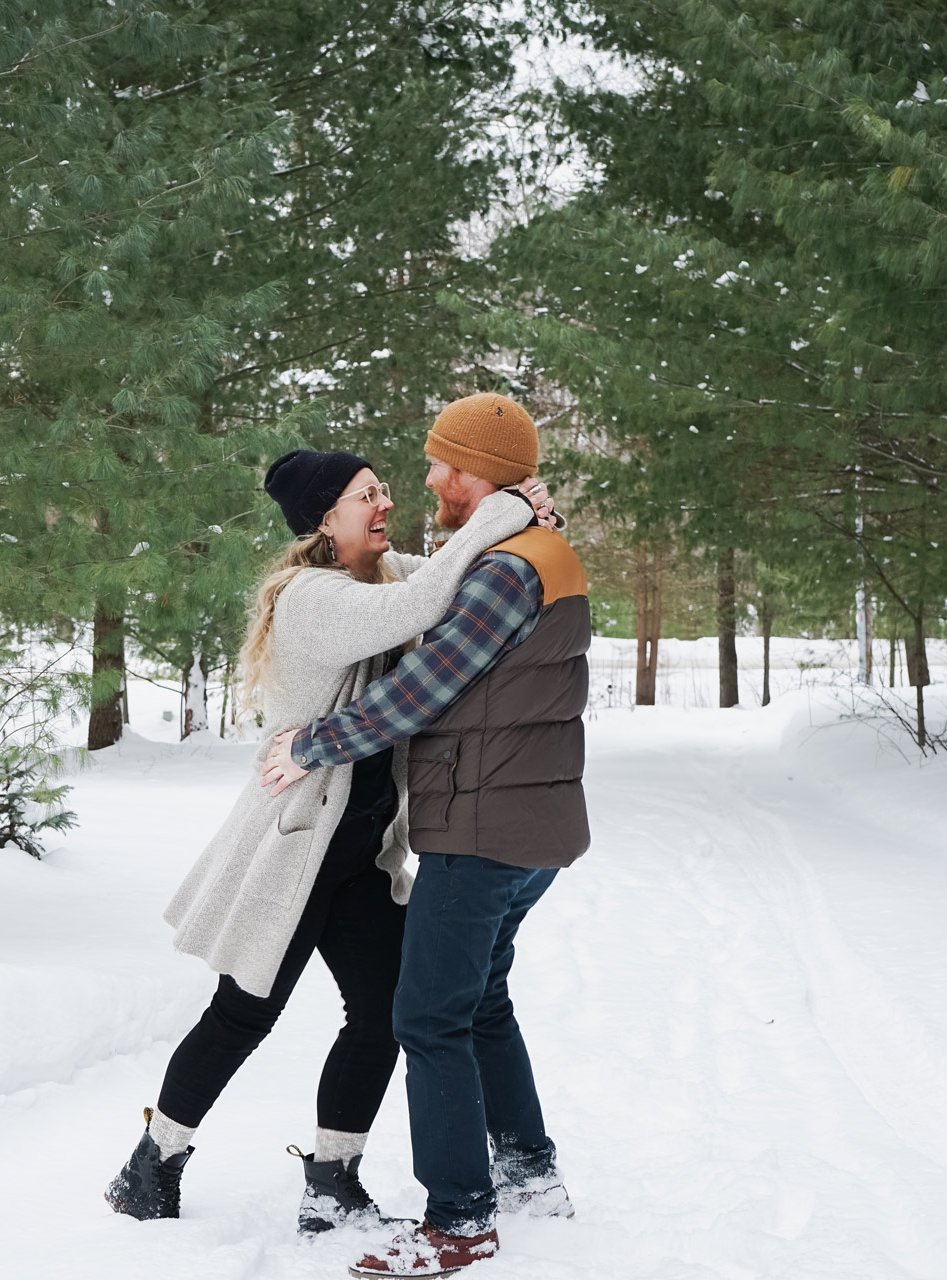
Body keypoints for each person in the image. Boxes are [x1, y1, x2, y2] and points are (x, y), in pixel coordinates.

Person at [104, 445, 555, 1234]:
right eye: (365, 495)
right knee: (243, 1016)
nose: (384, 504)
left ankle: (332, 1178)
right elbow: (420, 606)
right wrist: (507, 507)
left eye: (382, 490)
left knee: (384, 1013)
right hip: (296, 850)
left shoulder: (377, 575)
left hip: (360, 855)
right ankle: (153, 1164)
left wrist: (529, 517)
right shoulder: (311, 595)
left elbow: (457, 569)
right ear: (324, 517)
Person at [261, 394, 590, 1278]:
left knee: (427, 1017)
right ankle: (528, 1172)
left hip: (482, 823)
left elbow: (416, 694)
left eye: (445, 465)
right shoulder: (533, 549)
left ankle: (459, 1222)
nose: (430, 480)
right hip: (534, 825)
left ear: (479, 473)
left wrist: (311, 745)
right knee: (481, 1002)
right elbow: (428, 584)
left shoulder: (502, 571)